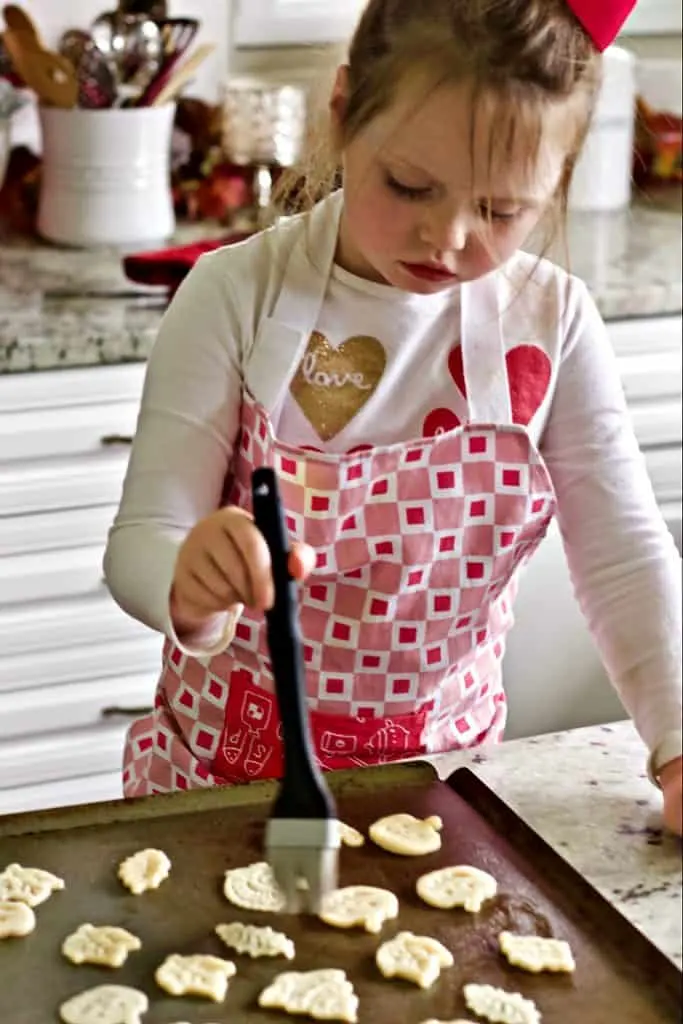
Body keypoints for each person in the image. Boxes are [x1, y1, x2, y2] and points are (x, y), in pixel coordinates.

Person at [104, 0, 682, 834]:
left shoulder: (549, 322)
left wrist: (674, 745)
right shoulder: (238, 295)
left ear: (556, 177)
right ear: (343, 116)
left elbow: (625, 556)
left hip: (441, 791)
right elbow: (142, 538)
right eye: (409, 185)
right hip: (221, 793)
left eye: (499, 210)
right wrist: (184, 583)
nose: (445, 235)